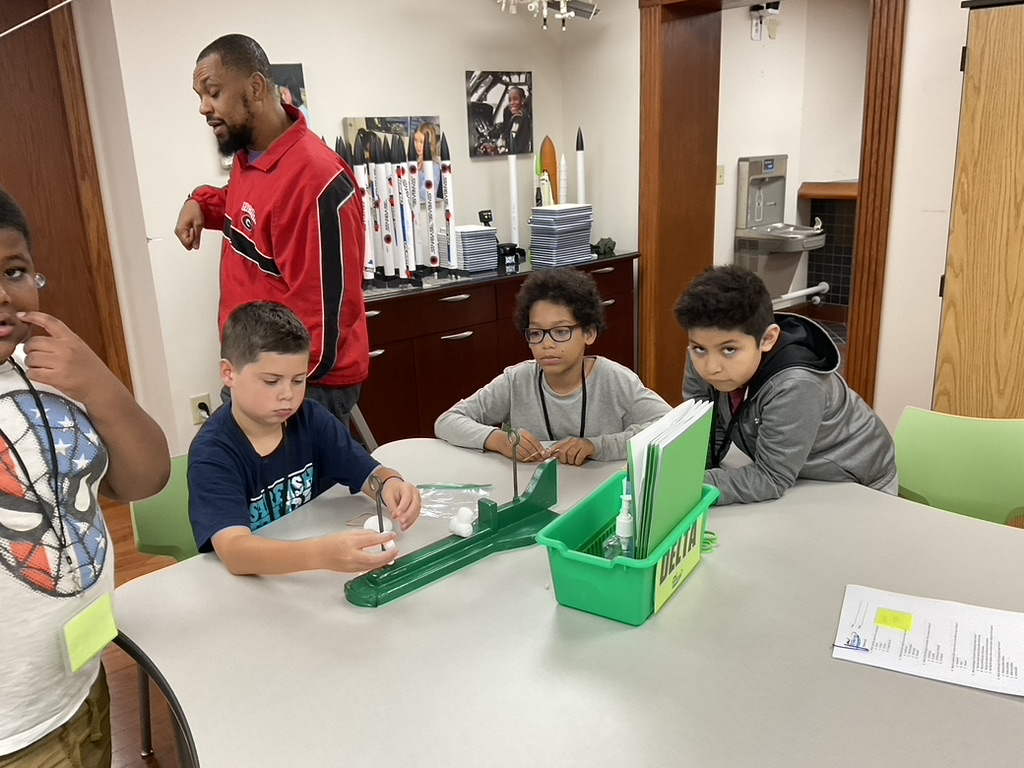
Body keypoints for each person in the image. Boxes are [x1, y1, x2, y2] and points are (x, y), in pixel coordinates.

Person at [0, 189, 170, 766]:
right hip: (14, 733)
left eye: (14, 271)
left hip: (81, 681)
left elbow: (144, 479)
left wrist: (98, 383)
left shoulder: (49, 372)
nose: (3, 295)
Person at [174, 34, 368, 429]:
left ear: (256, 88)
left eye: (213, 92)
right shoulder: (250, 157)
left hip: (299, 385)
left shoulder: (316, 181)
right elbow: (249, 209)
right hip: (253, 369)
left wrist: (270, 391)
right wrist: (200, 202)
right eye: (200, 96)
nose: (204, 108)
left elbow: (323, 323)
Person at [188, 301, 421, 576]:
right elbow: (235, 552)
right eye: (271, 381)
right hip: (256, 583)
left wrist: (391, 484)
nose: (288, 394)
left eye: (298, 380)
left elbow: (368, 474)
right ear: (229, 373)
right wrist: (320, 554)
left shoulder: (311, 418)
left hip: (311, 570)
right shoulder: (213, 453)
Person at [674, 265, 897, 505]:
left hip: (856, 484)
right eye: (699, 348)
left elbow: (771, 478)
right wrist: (696, 473)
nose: (711, 367)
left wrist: (683, 487)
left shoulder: (796, 385)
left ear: (767, 339)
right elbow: (706, 427)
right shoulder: (703, 357)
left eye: (729, 349)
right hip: (798, 475)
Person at [435, 270, 670, 465]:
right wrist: (498, 440)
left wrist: (596, 446)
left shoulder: (614, 380)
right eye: (536, 333)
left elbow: (670, 426)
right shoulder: (516, 381)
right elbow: (447, 421)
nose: (547, 344)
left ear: (589, 333)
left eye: (561, 331)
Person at [500, 86, 533, 155]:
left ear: (522, 100)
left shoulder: (519, 117)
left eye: (515, 99)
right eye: (510, 100)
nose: (511, 103)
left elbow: (512, 138)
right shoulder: (519, 116)